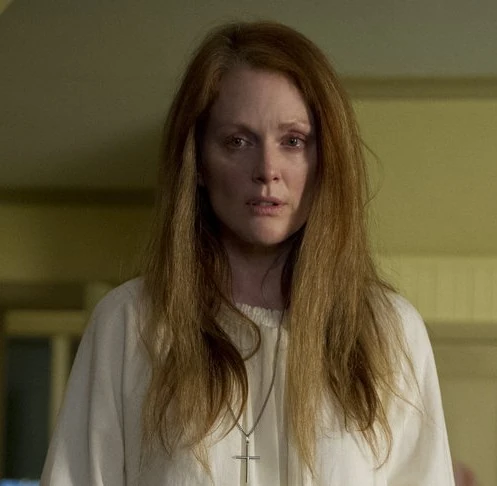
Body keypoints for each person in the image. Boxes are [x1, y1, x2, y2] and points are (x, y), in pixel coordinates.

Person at [41, 21, 455, 485]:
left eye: (293, 141)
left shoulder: (388, 331)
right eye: (238, 141)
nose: (267, 169)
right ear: (198, 161)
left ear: (326, 160)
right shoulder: (129, 323)